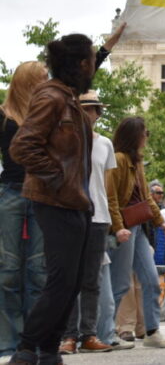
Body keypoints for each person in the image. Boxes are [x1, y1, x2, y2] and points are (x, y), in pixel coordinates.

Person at [7, 34, 98, 365]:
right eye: (88, 59)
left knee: (71, 282)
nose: (91, 66)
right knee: (61, 280)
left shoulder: (68, 96)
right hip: (57, 200)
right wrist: (58, 179)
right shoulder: (52, 97)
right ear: (78, 64)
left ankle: (47, 349)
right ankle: (28, 347)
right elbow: (22, 146)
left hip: (75, 202)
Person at [106, 116, 165, 349]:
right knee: (119, 284)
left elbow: (146, 197)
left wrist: (161, 222)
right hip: (125, 227)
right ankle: (105, 333)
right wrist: (118, 228)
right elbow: (111, 198)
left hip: (136, 227)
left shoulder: (136, 163)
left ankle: (152, 331)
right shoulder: (118, 160)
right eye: (145, 133)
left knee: (151, 280)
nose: (147, 137)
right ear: (135, 135)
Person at [60, 91, 118, 355]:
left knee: (92, 280)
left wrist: (114, 219)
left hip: (99, 217)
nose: (88, 113)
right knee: (70, 278)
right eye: (83, 108)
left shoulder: (105, 143)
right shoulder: (63, 141)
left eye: (93, 109)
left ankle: (89, 335)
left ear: (98, 113)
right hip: (71, 213)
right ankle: (68, 336)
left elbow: (107, 185)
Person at [0, 61, 49, 359]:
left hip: (43, 194)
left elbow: (77, 82)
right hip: (11, 193)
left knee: (39, 272)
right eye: (42, 77)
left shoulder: (48, 114)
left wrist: (105, 49)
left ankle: (33, 343)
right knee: (7, 271)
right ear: (28, 81)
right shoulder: (4, 116)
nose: (47, 81)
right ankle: (9, 343)